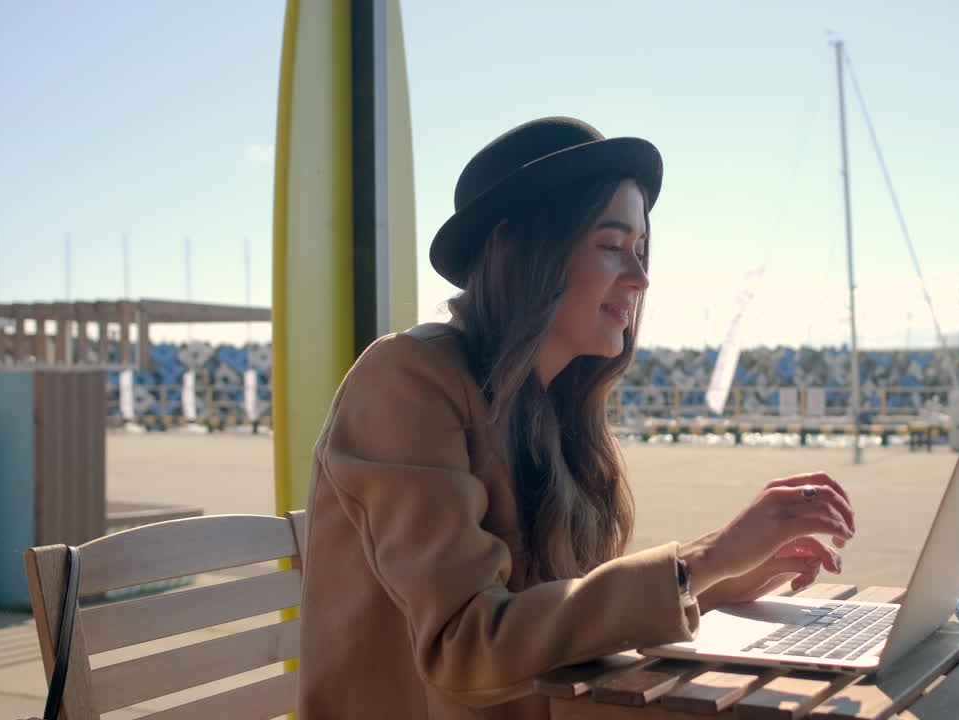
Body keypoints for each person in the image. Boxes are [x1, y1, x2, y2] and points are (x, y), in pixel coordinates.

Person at [299, 117, 856, 719]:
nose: (640, 279)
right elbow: (464, 646)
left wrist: (714, 584)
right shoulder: (406, 378)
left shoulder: (558, 404)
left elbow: (559, 617)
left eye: (640, 251)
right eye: (612, 247)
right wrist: (702, 560)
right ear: (519, 251)